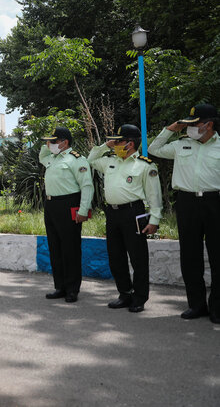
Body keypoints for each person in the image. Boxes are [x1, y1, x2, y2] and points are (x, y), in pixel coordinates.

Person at [148, 103, 220, 323]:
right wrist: (171, 129)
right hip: (187, 202)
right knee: (190, 255)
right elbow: (154, 149)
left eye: (194, 124)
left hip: (215, 202)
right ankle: (196, 305)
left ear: (209, 125)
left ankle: (217, 308)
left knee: (218, 255)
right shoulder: (180, 145)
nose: (189, 128)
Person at [88, 124, 162, 313]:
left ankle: (139, 297)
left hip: (133, 212)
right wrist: (106, 146)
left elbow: (154, 195)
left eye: (118, 141)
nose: (114, 144)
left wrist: (154, 219)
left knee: (138, 257)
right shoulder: (110, 161)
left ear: (129, 144)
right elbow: (91, 159)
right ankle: (125, 293)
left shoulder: (145, 165)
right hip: (112, 214)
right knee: (116, 256)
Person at [39, 127, 94, 303]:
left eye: (54, 141)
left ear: (65, 142)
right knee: (55, 248)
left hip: (69, 204)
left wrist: (83, 210)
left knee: (70, 249)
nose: (50, 145)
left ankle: (72, 289)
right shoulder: (52, 158)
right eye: (50, 142)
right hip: (51, 205)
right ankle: (60, 287)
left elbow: (87, 186)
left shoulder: (76, 160)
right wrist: (47, 144)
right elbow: (42, 156)